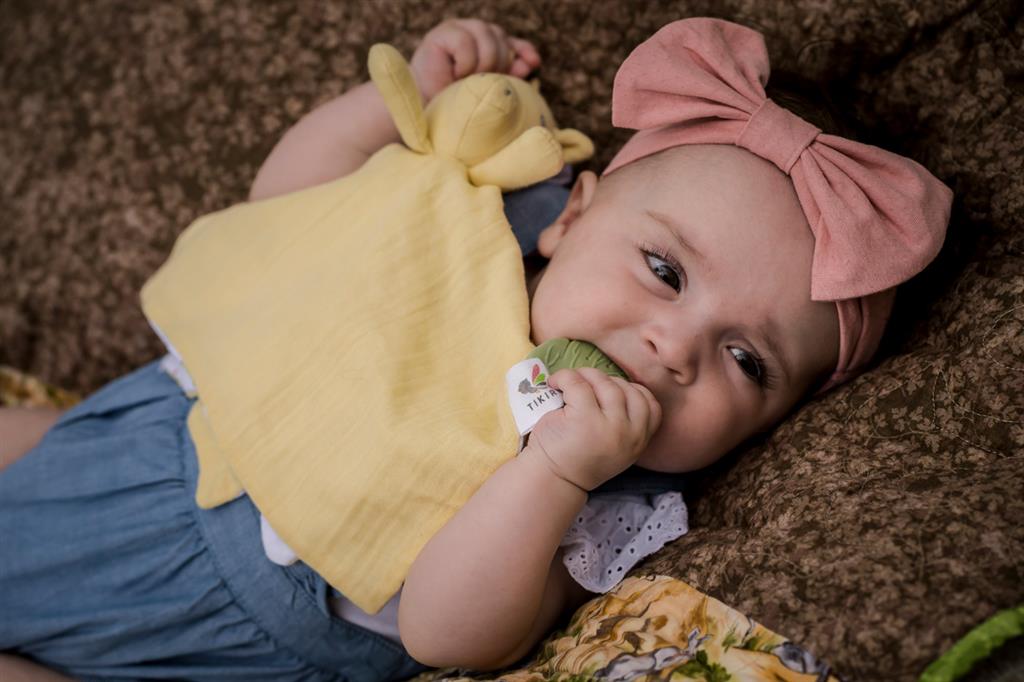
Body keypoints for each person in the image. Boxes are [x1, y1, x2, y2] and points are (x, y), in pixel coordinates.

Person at [0, 16, 952, 682]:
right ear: (568, 220)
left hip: (203, 633)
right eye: (664, 269)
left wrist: (554, 476)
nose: (673, 344)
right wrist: (405, 100)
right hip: (148, 438)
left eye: (748, 363)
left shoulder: (609, 494)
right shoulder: (466, 221)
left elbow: (448, 632)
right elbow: (287, 212)